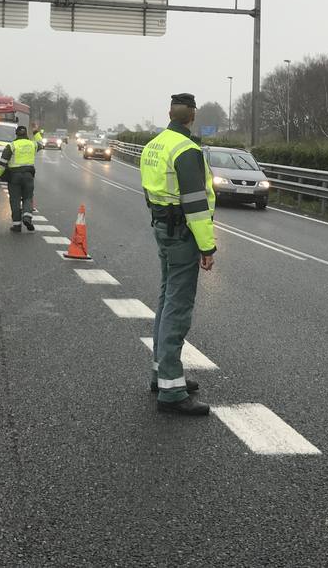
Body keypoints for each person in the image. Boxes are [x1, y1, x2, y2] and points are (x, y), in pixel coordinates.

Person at [140, 93, 216, 416]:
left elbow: (148, 190)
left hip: (162, 227)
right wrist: (206, 247)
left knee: (165, 298)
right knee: (178, 306)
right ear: (192, 116)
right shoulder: (186, 150)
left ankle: (162, 373)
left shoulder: (154, 145)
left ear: (170, 113)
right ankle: (171, 391)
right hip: (183, 234)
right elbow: (197, 205)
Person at [0, 125, 41, 232]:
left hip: (14, 177)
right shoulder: (32, 144)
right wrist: (36, 132)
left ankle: (17, 225)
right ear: (26, 134)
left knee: (15, 200)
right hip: (28, 176)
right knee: (28, 197)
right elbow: (41, 144)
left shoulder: (12, 145)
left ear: (16, 134)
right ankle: (27, 217)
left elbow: (3, 162)